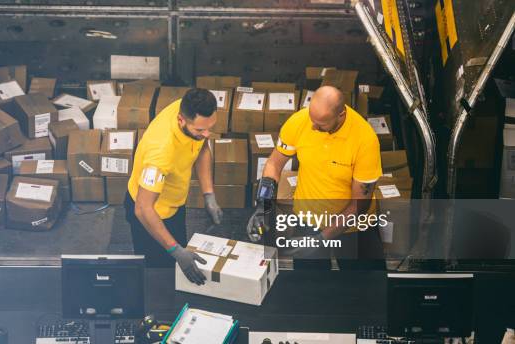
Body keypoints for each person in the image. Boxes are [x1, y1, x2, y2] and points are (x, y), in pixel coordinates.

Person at [248, 86, 385, 270]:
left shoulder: (364, 139)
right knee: (310, 288)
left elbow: (358, 206)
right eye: (312, 120)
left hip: (354, 229)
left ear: (341, 115)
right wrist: (262, 207)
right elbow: (274, 164)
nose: (313, 126)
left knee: (364, 287)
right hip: (308, 220)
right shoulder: (300, 121)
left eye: (321, 125)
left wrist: (321, 239)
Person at [125, 88, 223, 284]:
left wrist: (208, 194)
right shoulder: (161, 152)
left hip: (174, 203)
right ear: (181, 120)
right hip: (152, 215)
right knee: (159, 276)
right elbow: (143, 208)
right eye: (200, 130)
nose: (207, 134)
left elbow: (202, 148)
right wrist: (174, 249)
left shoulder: (189, 111)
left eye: (210, 127)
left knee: (181, 269)